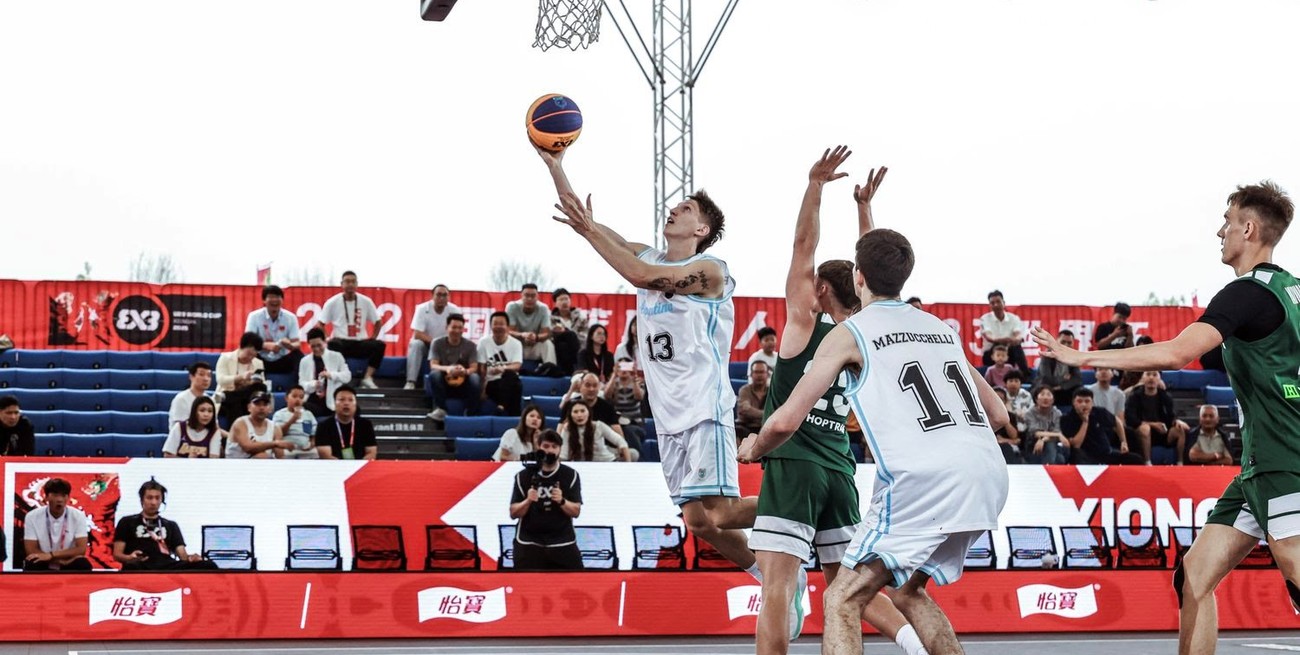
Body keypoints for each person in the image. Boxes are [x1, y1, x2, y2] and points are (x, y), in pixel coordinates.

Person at [1032, 180, 1298, 655]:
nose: (1221, 231)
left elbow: (1177, 353)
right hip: (1260, 465)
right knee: (1195, 575)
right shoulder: (1292, 292)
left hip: (1285, 459)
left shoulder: (1245, 294)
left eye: (1228, 221)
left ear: (1249, 228)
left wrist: (1081, 359)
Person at [743, 227, 1009, 655]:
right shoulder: (940, 328)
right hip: (988, 475)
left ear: (859, 276)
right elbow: (999, 414)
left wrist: (754, 447)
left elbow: (783, 422)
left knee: (842, 597)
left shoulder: (851, 333)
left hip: (924, 481)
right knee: (908, 593)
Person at [738, 148, 923, 655]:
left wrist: (815, 185)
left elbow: (803, 243)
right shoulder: (865, 329)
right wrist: (864, 209)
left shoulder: (803, 322)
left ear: (821, 289)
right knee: (848, 587)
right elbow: (875, 270)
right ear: (858, 287)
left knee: (777, 584)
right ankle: (916, 644)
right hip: (840, 467)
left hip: (794, 461)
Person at [543, 145, 758, 579]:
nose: (674, 210)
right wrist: (556, 165)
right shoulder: (646, 254)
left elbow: (638, 277)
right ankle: (767, 575)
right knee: (697, 521)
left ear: (701, 228)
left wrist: (590, 233)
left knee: (721, 512)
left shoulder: (711, 270)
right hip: (667, 412)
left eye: (686, 207)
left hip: (702, 405)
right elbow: (586, 221)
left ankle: (817, 502)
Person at [508, 430, 583, 570]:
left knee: (578, 581)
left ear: (560, 449)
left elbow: (576, 511)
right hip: (529, 539)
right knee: (525, 583)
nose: (550, 450)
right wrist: (528, 501)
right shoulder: (523, 476)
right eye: (546, 446)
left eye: (554, 447)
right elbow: (513, 513)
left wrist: (562, 501)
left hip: (561, 539)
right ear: (538, 447)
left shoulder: (570, 475)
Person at [113, 480, 219, 571]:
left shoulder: (170, 525)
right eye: (149, 498)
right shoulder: (127, 521)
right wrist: (129, 558)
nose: (153, 502)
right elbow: (117, 554)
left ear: (161, 500)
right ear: (142, 500)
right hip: (140, 565)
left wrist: (192, 558)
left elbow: (182, 555)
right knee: (131, 567)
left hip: (166, 565)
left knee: (208, 565)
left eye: (157, 498)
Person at [320, 270, 384, 389]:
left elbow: (378, 321)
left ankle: (367, 377)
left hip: (360, 342)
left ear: (357, 284)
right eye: (347, 282)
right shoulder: (332, 302)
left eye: (353, 282)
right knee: (333, 344)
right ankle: (339, 378)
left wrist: (373, 337)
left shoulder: (366, 301)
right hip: (341, 342)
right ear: (342, 284)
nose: (350, 284)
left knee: (379, 345)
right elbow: (320, 323)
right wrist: (327, 337)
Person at [1061, 387, 1144, 465]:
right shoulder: (1066, 418)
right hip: (1085, 456)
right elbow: (1076, 445)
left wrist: (1123, 442)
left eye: (1087, 401)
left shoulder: (1099, 412)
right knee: (1077, 456)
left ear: (1092, 403)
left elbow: (1117, 421)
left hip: (1105, 453)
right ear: (1073, 402)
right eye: (1079, 401)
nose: (1083, 404)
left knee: (1136, 459)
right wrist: (1085, 422)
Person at [22, 478, 91, 571]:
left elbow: (81, 549)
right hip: (43, 560)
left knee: (82, 563)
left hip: (68, 561)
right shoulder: (32, 516)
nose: (59, 500)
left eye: (63, 495)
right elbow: (31, 549)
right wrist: (50, 559)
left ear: (68, 497)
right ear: (46, 497)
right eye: (55, 495)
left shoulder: (78, 516)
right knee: (32, 561)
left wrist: (51, 556)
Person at [1125, 370, 1189, 464]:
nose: (1151, 377)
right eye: (1148, 374)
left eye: (1155, 375)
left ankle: (1180, 462)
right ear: (1142, 378)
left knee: (1179, 430)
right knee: (1145, 429)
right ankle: (1147, 462)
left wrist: (1177, 421)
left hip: (1163, 432)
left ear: (1159, 379)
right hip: (1142, 432)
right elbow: (1131, 420)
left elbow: (1171, 416)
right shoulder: (1134, 396)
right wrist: (1154, 425)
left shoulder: (1165, 396)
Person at [425, 313, 480, 421]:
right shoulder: (437, 343)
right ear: (447, 328)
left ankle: (471, 412)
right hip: (445, 381)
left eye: (460, 328)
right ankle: (441, 409)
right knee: (434, 375)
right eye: (454, 327)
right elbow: (433, 365)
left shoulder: (471, 346)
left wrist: (465, 371)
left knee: (475, 378)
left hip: (463, 381)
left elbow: (474, 367)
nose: (457, 331)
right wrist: (448, 369)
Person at [405, 284, 460, 390]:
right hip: (427, 345)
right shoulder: (422, 308)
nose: (442, 298)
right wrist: (435, 343)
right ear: (432, 296)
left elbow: (457, 332)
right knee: (415, 344)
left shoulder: (454, 310)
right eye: (439, 295)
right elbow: (417, 333)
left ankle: (453, 384)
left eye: (445, 295)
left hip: (445, 346)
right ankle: (411, 381)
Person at [244, 284, 303, 375]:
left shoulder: (291, 317)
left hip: (282, 358)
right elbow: (248, 341)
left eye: (278, 297)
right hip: (261, 358)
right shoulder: (254, 316)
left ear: (282, 300)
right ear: (264, 300)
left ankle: (297, 387)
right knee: (248, 351)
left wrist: (289, 345)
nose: (274, 300)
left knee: (298, 355)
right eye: (271, 297)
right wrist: (264, 345)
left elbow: (297, 343)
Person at [299, 327, 352, 419]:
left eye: (319, 345)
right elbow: (302, 384)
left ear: (325, 342)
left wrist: (331, 375)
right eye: (313, 346)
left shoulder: (336, 356)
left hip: (334, 401)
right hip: (313, 401)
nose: (316, 349)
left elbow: (347, 376)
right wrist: (313, 384)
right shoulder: (304, 361)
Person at [215, 331, 266, 426]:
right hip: (223, 397)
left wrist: (250, 383)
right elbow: (221, 380)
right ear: (241, 347)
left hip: (246, 398)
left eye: (254, 355)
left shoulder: (258, 363)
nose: (250, 357)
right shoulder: (225, 358)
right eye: (249, 354)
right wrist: (240, 377)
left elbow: (261, 386)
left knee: (258, 388)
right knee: (236, 404)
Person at [478, 311, 524, 416]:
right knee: (515, 388)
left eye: (502, 324)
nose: (498, 327)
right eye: (495, 324)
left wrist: (502, 368)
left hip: (509, 380)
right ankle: (514, 417)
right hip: (492, 382)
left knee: (511, 376)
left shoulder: (516, 344)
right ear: (490, 326)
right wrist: (482, 389)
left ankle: (501, 406)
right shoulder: (483, 342)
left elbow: (517, 365)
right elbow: (482, 367)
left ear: (508, 327)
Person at [314, 385, 378, 460]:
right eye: (342, 400)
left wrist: (357, 467)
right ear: (334, 404)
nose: (346, 403)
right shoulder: (324, 426)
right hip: (333, 468)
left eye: (350, 400)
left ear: (356, 404)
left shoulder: (366, 425)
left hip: (360, 467)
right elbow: (325, 454)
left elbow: (371, 452)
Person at [558, 399, 631, 462]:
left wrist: (628, 465)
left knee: (633, 453)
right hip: (581, 465)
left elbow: (620, 441)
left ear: (588, 413)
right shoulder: (567, 429)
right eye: (575, 412)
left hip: (606, 462)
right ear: (570, 415)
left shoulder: (599, 425)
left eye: (582, 411)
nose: (579, 415)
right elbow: (563, 454)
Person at [226, 391, 292, 459]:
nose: (261, 408)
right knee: (261, 456)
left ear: (270, 409)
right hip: (236, 465)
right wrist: (275, 444)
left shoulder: (275, 428)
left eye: (265, 404)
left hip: (264, 465)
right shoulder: (240, 423)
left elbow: (280, 457)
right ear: (249, 407)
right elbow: (247, 447)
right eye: (257, 404)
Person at [505, 283, 558, 370]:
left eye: (533, 296)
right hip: (517, 345)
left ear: (537, 297)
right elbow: (508, 331)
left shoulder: (543, 308)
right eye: (526, 295)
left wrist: (535, 337)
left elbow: (546, 333)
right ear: (521, 296)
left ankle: (551, 370)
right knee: (507, 341)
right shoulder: (512, 307)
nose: (529, 299)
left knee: (548, 344)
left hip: (535, 345)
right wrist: (522, 335)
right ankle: (508, 371)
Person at [979, 290, 1030, 373]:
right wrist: (1005, 340)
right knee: (997, 346)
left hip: (1009, 350)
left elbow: (1017, 335)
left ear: (1004, 302)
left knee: (1017, 347)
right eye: (992, 303)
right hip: (991, 352)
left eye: (998, 302)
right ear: (990, 305)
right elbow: (989, 337)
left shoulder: (1014, 318)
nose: (996, 305)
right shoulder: (985, 319)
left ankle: (1025, 375)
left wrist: (1014, 340)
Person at [1022, 385, 1070, 465]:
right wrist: (1058, 434)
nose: (1045, 398)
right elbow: (1035, 433)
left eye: (1048, 395)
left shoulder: (1057, 413)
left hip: (1053, 444)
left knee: (1053, 447)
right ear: (1036, 399)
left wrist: (1043, 439)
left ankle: (1048, 468)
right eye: (1042, 394)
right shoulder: (1029, 413)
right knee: (1059, 459)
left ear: (1053, 399)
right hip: (1033, 445)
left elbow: (1056, 430)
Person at [1037, 329, 1083, 405]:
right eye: (1063, 342)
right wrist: (1063, 379)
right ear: (1056, 342)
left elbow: (1077, 379)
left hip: (1064, 389)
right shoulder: (1047, 355)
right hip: (1048, 388)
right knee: (1045, 391)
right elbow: (1046, 377)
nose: (1066, 345)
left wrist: (1061, 386)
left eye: (1069, 343)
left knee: (1079, 390)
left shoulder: (1073, 356)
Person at [274, 385, 319, 459]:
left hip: (305, 449)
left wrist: (312, 443)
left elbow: (313, 433)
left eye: (301, 397)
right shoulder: (279, 414)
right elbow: (278, 434)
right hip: (287, 448)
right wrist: (292, 420)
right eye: (294, 396)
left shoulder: (308, 414)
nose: (298, 400)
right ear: (286, 398)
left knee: (319, 453)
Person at [550, 287, 587, 375]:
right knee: (562, 344)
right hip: (558, 350)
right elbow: (550, 337)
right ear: (555, 303)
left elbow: (585, 337)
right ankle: (576, 369)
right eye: (561, 299)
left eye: (566, 299)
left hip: (577, 349)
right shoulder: (550, 319)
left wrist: (566, 332)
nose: (564, 302)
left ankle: (572, 370)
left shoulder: (580, 318)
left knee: (570, 336)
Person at [735, 360, 771, 442]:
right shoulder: (744, 390)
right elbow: (745, 411)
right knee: (737, 430)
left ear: (767, 374)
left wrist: (753, 412)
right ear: (751, 374)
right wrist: (767, 414)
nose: (759, 375)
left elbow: (776, 412)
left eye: (762, 372)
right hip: (746, 427)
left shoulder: (772, 391)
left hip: (766, 428)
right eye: (756, 372)